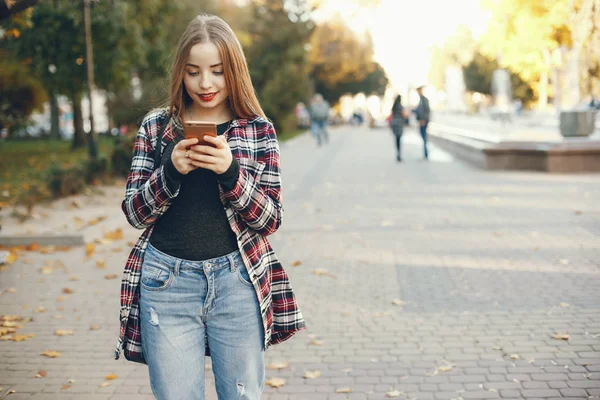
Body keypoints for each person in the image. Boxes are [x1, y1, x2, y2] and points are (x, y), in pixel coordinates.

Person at [115, 14, 306, 400]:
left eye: (217, 72)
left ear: (233, 71)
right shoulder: (156, 127)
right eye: (193, 71)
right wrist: (170, 171)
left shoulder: (257, 129)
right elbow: (135, 213)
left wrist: (230, 172)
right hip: (165, 283)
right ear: (180, 74)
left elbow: (270, 219)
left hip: (237, 282)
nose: (205, 83)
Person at [390, 95, 409, 162]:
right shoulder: (400, 106)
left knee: (396, 139)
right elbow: (404, 114)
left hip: (394, 124)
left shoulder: (394, 106)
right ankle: (399, 155)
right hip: (399, 124)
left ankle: (397, 153)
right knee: (399, 139)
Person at [415, 86, 430, 160]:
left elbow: (427, 111)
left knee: (424, 137)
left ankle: (426, 154)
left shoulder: (424, 100)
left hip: (423, 122)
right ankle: (425, 153)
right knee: (423, 137)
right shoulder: (420, 100)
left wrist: (423, 120)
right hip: (421, 121)